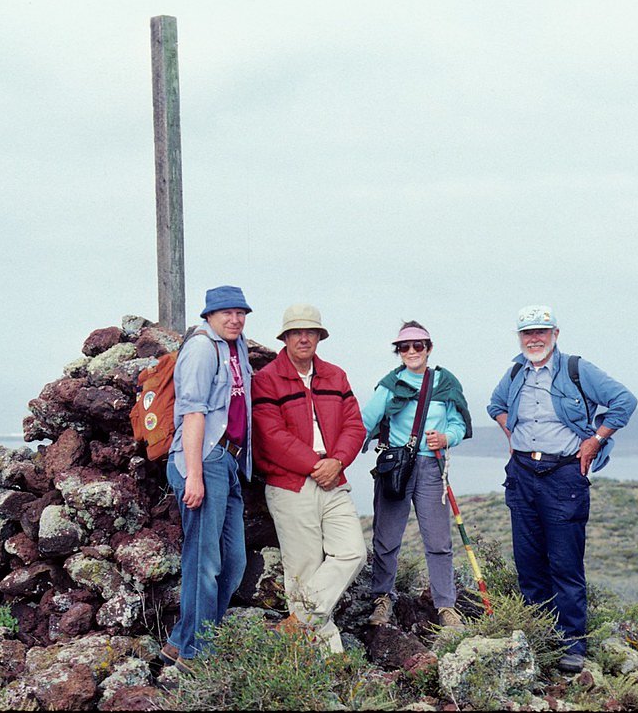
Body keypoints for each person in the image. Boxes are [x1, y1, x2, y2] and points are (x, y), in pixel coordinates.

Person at [487, 305, 637, 673]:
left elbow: (624, 401)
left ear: (555, 333)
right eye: (527, 333)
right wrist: (514, 434)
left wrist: (595, 441)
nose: (533, 338)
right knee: (528, 563)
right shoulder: (516, 372)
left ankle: (572, 644)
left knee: (565, 564)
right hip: (522, 472)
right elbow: (495, 406)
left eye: (541, 331)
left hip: (564, 475)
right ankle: (538, 639)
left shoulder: (576, 369)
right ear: (519, 337)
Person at [252, 304, 367, 653]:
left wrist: (337, 461)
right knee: (303, 569)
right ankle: (328, 655)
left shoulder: (336, 375)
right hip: (292, 483)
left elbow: (354, 425)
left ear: (319, 336)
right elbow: (270, 435)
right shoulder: (267, 379)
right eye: (296, 332)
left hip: (333, 479)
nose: (304, 338)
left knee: (352, 552)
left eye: (310, 332)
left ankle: (297, 626)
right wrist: (315, 465)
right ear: (285, 338)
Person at [162, 285, 254, 673]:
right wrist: (194, 475)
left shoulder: (238, 345)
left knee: (233, 562)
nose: (234, 319)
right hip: (203, 460)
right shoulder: (202, 348)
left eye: (240, 312)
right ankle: (197, 657)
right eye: (226, 313)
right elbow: (193, 413)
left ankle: (180, 642)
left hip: (228, 461)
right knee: (204, 561)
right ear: (209, 316)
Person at [362, 321, 472, 629]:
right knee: (386, 538)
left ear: (429, 348)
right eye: (404, 347)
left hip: (431, 467)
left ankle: (445, 606)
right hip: (396, 467)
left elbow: (458, 423)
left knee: (438, 541)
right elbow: (365, 422)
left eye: (418, 345)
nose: (411, 351)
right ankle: (382, 598)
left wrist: (447, 438)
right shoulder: (388, 385)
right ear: (398, 351)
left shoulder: (444, 383)